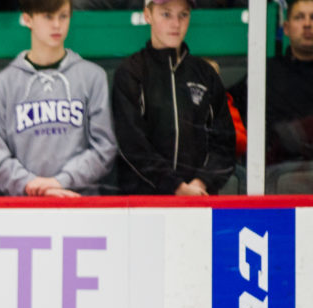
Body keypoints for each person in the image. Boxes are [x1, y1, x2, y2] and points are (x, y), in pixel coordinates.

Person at [0, 0, 117, 197]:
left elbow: (104, 147)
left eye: (63, 16)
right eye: (48, 16)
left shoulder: (93, 77)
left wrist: (61, 181)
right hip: (24, 204)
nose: (57, 25)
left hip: (79, 202)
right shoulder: (1, 85)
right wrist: (31, 184)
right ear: (27, 19)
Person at [111, 0, 236, 195]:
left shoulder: (206, 74)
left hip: (198, 198)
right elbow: (131, 143)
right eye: (166, 14)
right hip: (143, 202)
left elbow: (224, 143)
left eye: (183, 15)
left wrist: (202, 182)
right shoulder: (130, 72)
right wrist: (176, 187)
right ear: (148, 15)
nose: (176, 24)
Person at [229, 0, 313, 165]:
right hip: (274, 171)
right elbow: (226, 104)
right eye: (299, 17)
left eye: (312, 17)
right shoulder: (265, 71)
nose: (307, 24)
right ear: (286, 28)